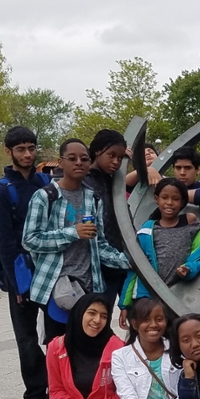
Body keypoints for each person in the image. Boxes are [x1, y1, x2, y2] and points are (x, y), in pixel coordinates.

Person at [22, 139, 131, 343]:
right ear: (60, 162)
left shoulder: (93, 198)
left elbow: (99, 246)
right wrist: (72, 233)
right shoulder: (45, 197)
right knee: (59, 349)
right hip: (57, 286)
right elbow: (30, 240)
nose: (79, 163)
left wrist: (129, 260)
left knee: (89, 349)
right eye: (72, 158)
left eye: (84, 159)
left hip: (90, 286)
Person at [0, 126, 53, 399]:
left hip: (52, 269)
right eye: (21, 149)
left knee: (56, 334)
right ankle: (36, 393)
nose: (27, 154)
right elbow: (2, 240)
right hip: (22, 271)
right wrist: (16, 285)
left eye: (31, 148)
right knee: (26, 338)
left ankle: (60, 387)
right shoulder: (2, 191)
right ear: (8, 151)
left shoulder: (46, 182)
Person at [118, 178, 200, 305]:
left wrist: (190, 269)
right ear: (156, 199)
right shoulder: (147, 231)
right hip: (147, 296)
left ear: (182, 202)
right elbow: (135, 268)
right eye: (164, 197)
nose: (169, 202)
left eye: (175, 199)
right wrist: (124, 304)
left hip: (180, 297)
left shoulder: (190, 223)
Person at [84, 130, 131, 304]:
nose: (116, 162)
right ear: (97, 151)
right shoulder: (85, 182)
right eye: (111, 155)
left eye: (120, 158)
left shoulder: (113, 182)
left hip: (120, 260)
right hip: (99, 265)